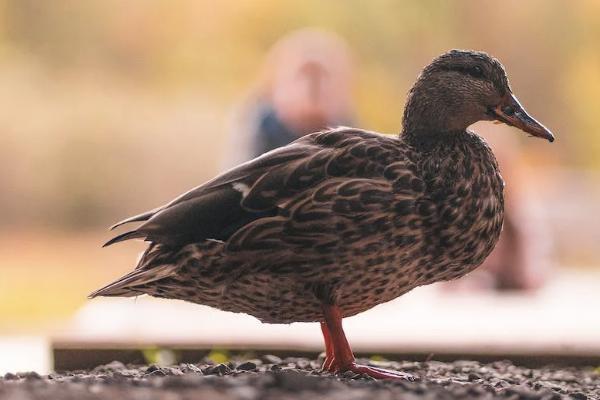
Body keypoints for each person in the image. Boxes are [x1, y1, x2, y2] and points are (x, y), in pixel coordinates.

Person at [224, 28, 356, 167]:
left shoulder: (361, 152)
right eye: (305, 74)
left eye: (325, 75)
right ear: (274, 87)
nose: (315, 86)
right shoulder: (255, 139)